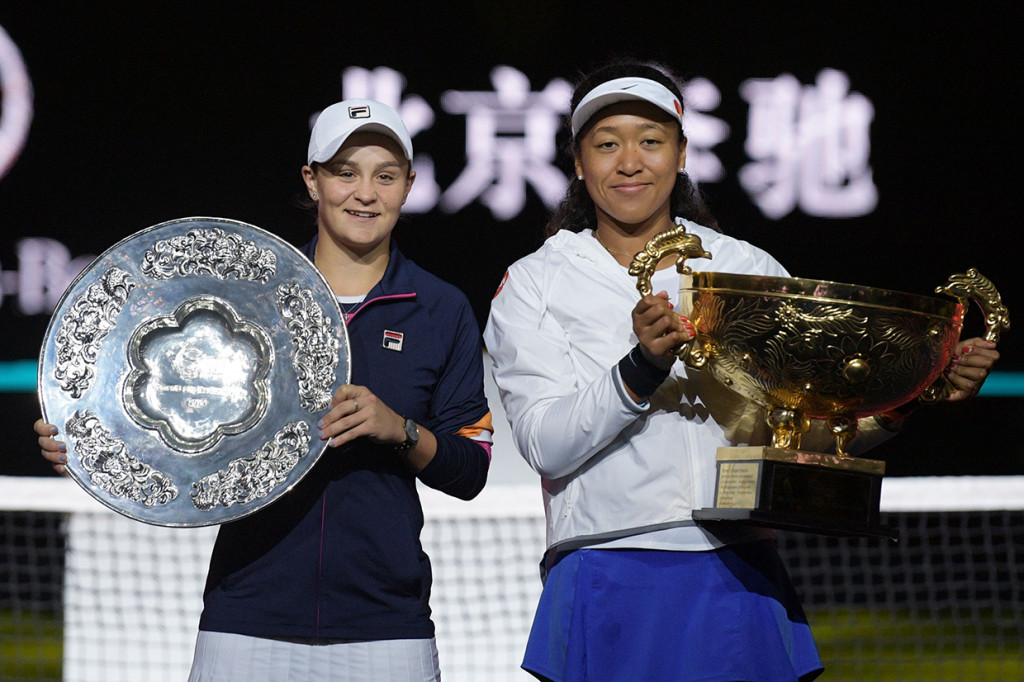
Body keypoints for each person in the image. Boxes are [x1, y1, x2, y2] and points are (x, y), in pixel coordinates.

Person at [483, 58, 999, 682]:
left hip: (738, 565)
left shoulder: (746, 269)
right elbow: (545, 443)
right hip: (606, 566)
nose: (629, 162)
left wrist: (904, 396)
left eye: (651, 142)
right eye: (606, 144)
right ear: (577, 163)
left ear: (680, 155)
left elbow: (804, 435)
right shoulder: (534, 281)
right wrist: (640, 370)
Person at [36, 99, 494, 682]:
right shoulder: (246, 300)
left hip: (387, 629)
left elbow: (470, 469)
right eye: (345, 172)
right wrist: (82, 436)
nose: (365, 193)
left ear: (408, 185)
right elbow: (163, 410)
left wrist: (398, 429)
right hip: (244, 622)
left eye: (385, 175)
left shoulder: (440, 309)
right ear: (313, 180)